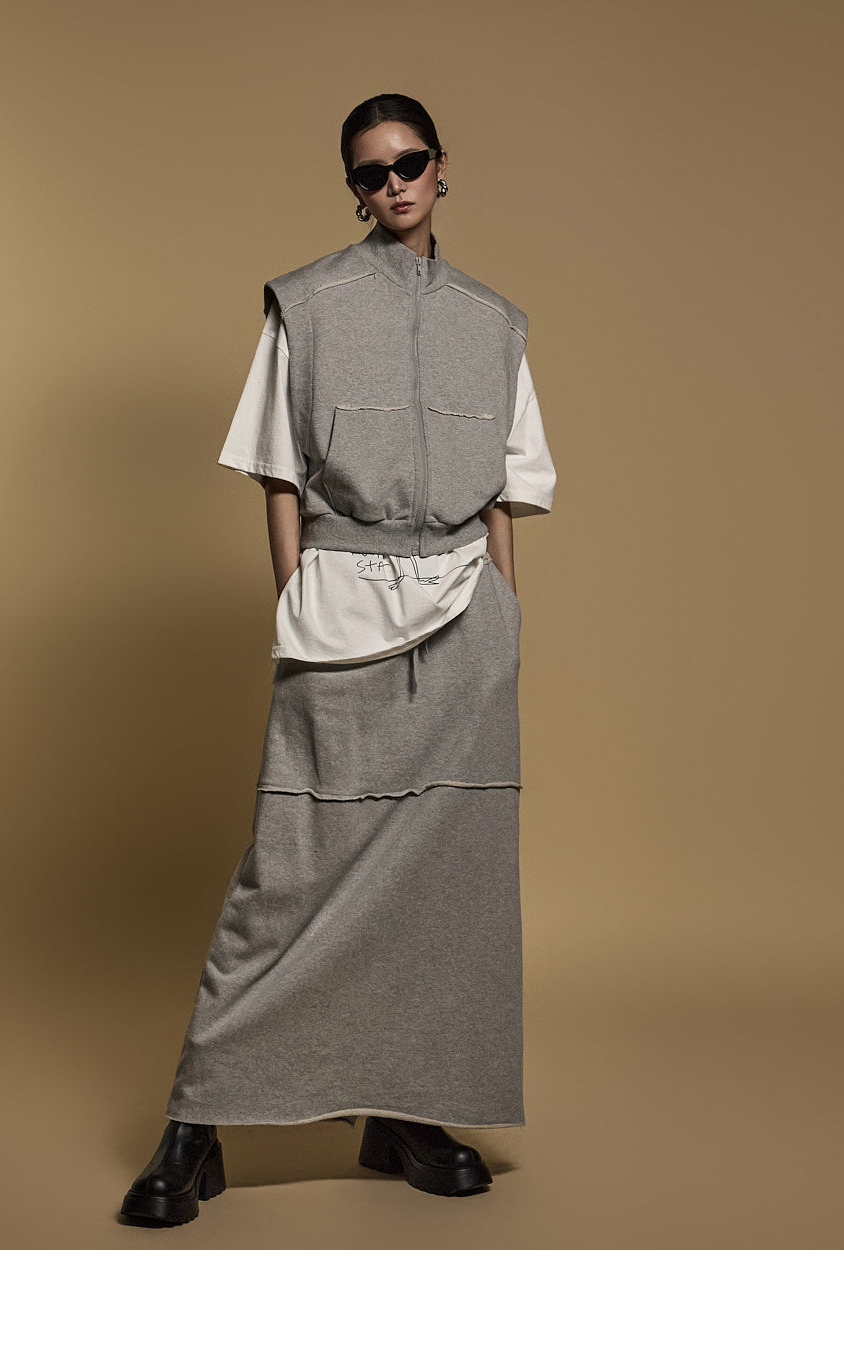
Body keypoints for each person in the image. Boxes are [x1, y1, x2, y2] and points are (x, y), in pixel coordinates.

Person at [120, 93, 555, 1227]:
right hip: (341, 608)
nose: (393, 184)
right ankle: (196, 1125)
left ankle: (404, 1112)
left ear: (442, 167)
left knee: (446, 886)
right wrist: (297, 599)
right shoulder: (305, 306)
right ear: (354, 190)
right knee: (293, 869)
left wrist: (506, 622)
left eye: (409, 163)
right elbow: (277, 473)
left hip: (467, 621)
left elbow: (507, 492)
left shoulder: (496, 323)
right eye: (371, 172)